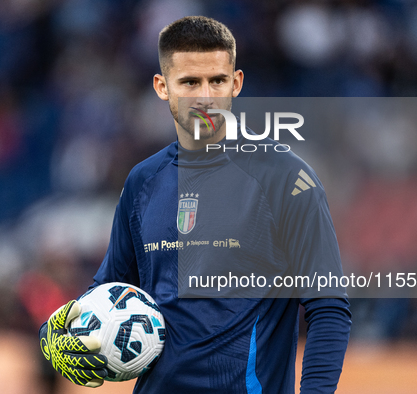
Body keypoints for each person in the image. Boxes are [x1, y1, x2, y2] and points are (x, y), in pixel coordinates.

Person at [39, 16, 351, 393]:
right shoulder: (143, 181)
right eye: (189, 82)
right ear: (162, 87)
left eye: (217, 80)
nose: (205, 96)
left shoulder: (286, 179)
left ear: (235, 83)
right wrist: (59, 330)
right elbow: (110, 288)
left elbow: (329, 308)